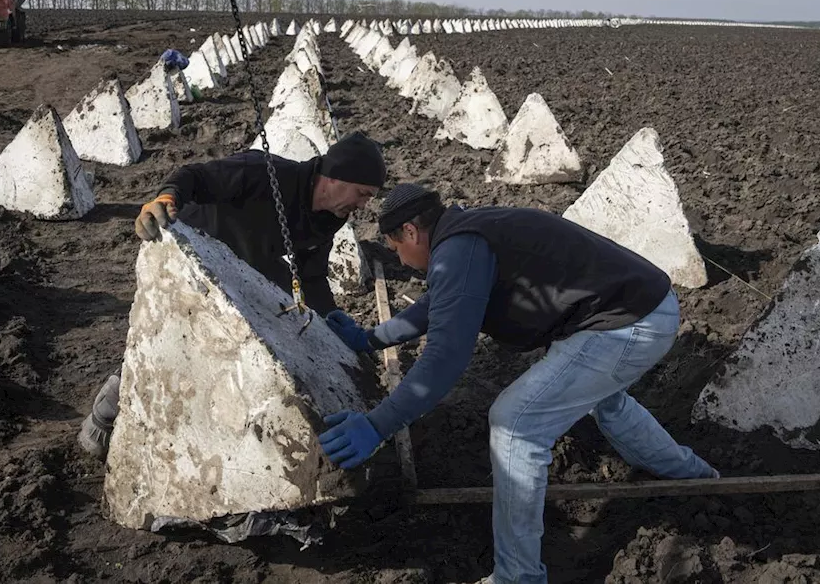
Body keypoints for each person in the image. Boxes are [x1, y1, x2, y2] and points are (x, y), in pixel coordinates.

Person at [319, 184, 716, 584]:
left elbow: (445, 358)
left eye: (396, 247)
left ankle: (517, 577)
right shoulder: (466, 235)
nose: (402, 261)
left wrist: (377, 424)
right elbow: (439, 303)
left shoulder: (460, 248)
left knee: (515, 425)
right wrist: (371, 339)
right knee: (607, 401)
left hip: (628, 325)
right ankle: (688, 474)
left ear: (409, 232)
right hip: (639, 309)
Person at [77, 132, 386, 459]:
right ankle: (102, 418)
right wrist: (167, 199)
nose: (363, 204)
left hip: (247, 267)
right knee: (170, 336)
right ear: (336, 177)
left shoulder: (330, 218)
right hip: (198, 251)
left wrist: (328, 321)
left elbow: (310, 274)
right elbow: (195, 176)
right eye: (363, 193)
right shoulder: (264, 172)